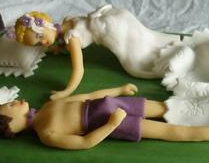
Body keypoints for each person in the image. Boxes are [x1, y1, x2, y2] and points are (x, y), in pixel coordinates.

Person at [0, 84, 209, 150]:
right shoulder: (46, 135)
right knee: (169, 132)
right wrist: (112, 124)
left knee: (165, 107)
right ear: (12, 125)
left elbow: (88, 95)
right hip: (106, 122)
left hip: (110, 103)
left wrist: (119, 90)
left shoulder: (49, 105)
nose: (17, 101)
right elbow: (85, 142)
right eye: (12, 106)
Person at [13, 8, 180, 100]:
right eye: (38, 43)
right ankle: (176, 42)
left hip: (114, 29)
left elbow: (78, 69)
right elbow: (57, 41)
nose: (43, 43)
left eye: (40, 37)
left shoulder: (72, 38)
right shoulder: (67, 22)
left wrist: (67, 91)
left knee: (136, 67)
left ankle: (174, 64)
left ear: (45, 24)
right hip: (114, 14)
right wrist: (56, 48)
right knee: (147, 38)